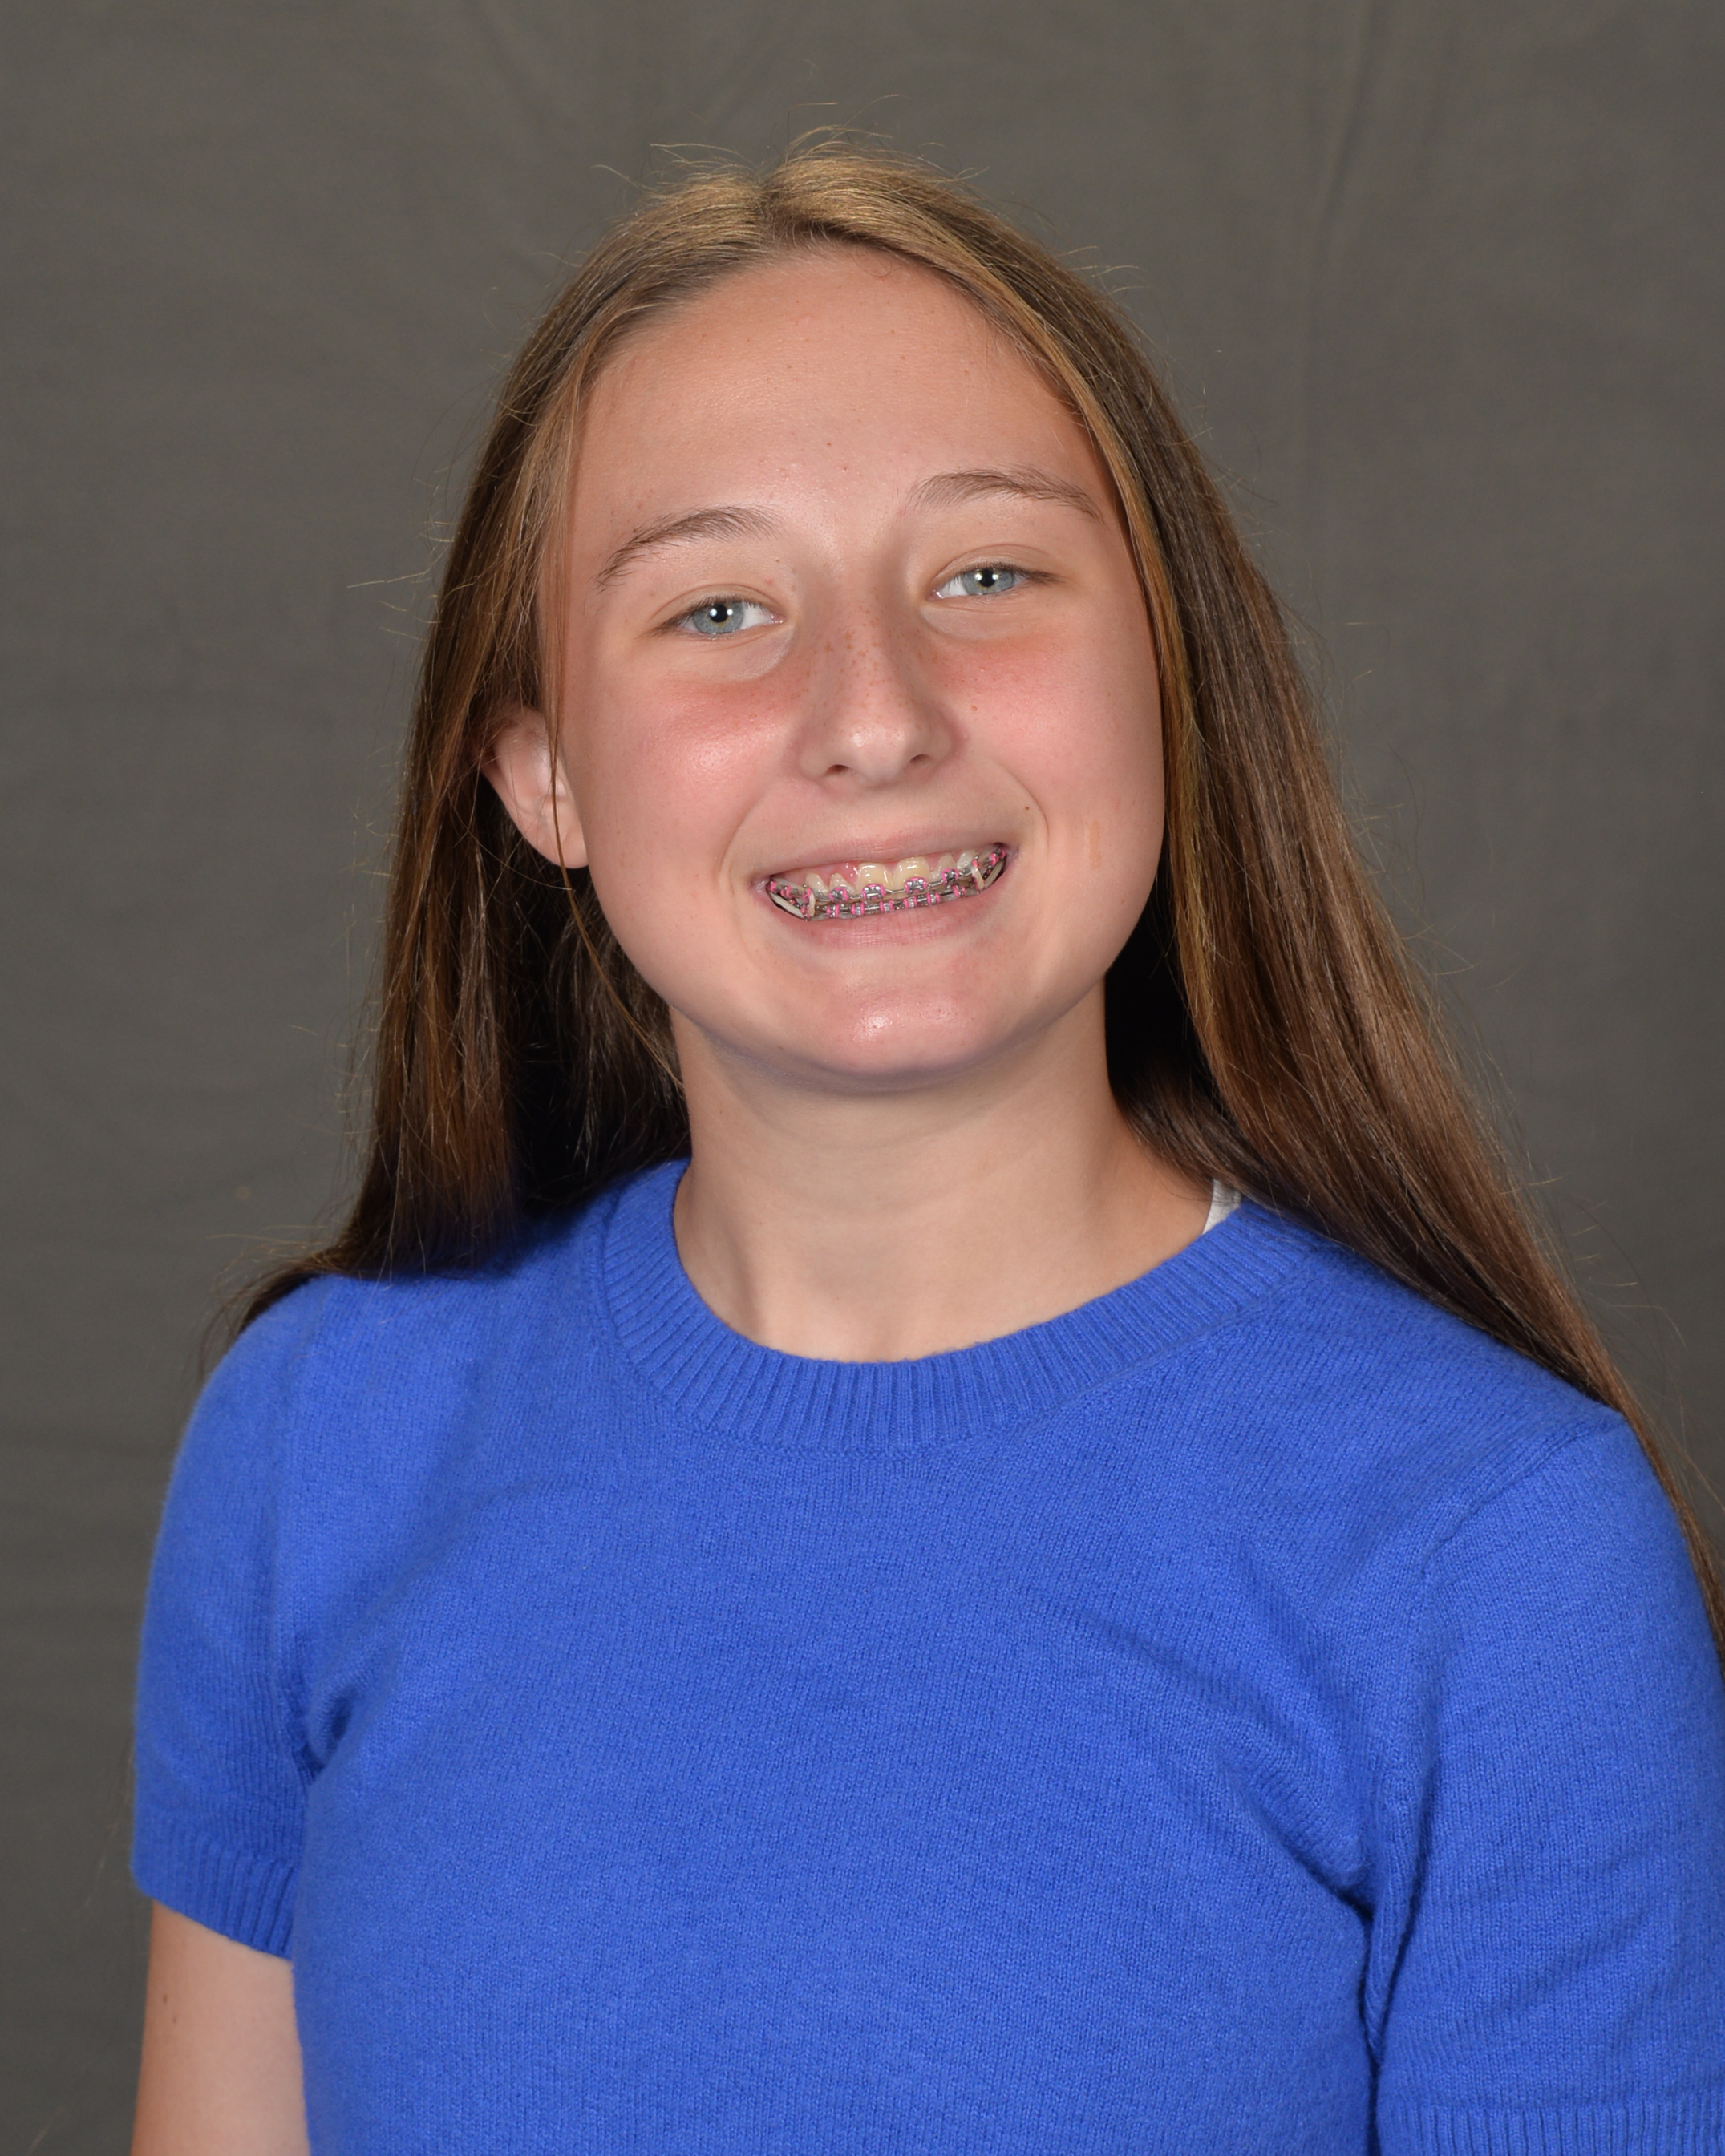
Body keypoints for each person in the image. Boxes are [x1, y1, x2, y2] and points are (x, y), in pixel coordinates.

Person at [129, 147, 1725, 2154]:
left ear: (1162, 676)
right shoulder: (316, 1448)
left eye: (982, 576)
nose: (871, 715)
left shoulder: (1504, 1563)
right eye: (717, 608)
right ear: (542, 776)